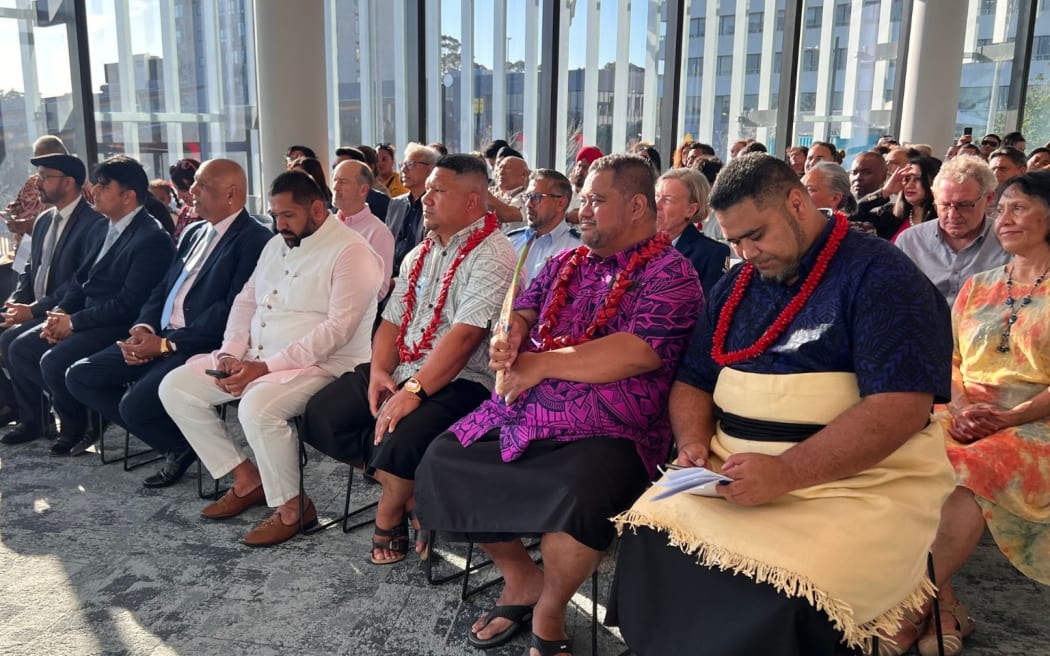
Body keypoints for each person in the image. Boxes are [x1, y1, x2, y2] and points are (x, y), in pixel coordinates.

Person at [607, 153, 956, 656]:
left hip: (857, 483)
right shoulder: (734, 285)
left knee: (786, 596)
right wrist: (691, 444)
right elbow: (692, 380)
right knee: (649, 535)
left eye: (757, 235)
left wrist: (787, 473)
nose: (747, 252)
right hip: (731, 471)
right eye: (735, 241)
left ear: (797, 202)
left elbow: (898, 408)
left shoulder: (883, 276)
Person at [415, 154, 703, 656]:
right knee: (442, 461)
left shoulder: (672, 273)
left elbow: (638, 350)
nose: (582, 210)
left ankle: (550, 608)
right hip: (524, 411)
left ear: (637, 206)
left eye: (595, 200)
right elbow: (522, 309)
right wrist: (512, 336)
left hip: (615, 429)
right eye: (583, 199)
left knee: (579, 493)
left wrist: (542, 365)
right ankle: (521, 577)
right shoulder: (565, 262)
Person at [299, 153, 516, 564]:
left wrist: (414, 390)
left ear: (472, 202)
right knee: (323, 413)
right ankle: (406, 489)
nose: (425, 199)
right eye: (427, 190)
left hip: (463, 382)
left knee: (402, 438)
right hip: (404, 367)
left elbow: (466, 335)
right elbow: (391, 322)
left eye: (437, 191)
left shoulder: (494, 253)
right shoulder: (420, 253)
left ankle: (390, 508)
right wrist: (382, 372)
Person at [157, 170, 384, 547]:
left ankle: (294, 509)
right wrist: (231, 352)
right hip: (256, 359)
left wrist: (264, 368)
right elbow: (246, 299)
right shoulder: (276, 244)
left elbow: (337, 331)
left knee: (257, 406)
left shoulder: (352, 252)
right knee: (177, 388)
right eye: (275, 216)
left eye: (288, 216)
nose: (279, 225)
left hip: (327, 367)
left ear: (316, 209)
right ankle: (247, 479)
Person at [893, 171, 1050, 656]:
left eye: (1018, 208)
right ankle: (944, 606)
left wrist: (1006, 418)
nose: (1004, 219)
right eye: (1001, 209)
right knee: (897, 458)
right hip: (962, 412)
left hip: (1034, 423)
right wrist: (960, 408)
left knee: (967, 469)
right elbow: (953, 359)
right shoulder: (979, 285)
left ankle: (905, 609)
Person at [64, 160, 271, 487]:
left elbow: (231, 310)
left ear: (231, 194)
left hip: (200, 343)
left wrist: (166, 345)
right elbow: (163, 288)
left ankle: (178, 441)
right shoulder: (193, 232)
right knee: (80, 375)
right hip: (159, 334)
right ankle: (178, 442)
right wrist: (144, 328)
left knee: (133, 406)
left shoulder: (255, 239)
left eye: (201, 185)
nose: (191, 192)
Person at [5, 156, 175, 452]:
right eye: (95, 183)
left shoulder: (151, 237)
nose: (94, 190)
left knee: (53, 360)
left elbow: (128, 303)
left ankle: (75, 427)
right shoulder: (102, 228)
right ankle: (80, 414)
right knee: (21, 348)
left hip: (118, 325)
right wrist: (59, 314)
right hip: (87, 316)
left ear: (128, 196)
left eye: (103, 186)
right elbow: (79, 281)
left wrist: (73, 323)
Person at [0, 153, 105, 440]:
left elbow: (79, 282)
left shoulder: (94, 222)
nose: (38, 185)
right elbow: (30, 268)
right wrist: (16, 302)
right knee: (5, 332)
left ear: (69, 182)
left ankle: (65, 415)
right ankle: (22, 411)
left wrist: (33, 310)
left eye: (46, 177)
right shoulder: (44, 219)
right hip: (36, 307)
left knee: (15, 344)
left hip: (67, 311)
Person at [896, 156, 1010, 306]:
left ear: (989, 198)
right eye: (944, 205)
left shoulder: (1008, 243)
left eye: (964, 205)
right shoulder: (910, 241)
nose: (953, 215)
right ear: (934, 196)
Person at [655, 168, 729, 295]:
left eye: (667, 199)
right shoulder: (637, 243)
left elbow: (707, 308)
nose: (657, 204)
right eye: (656, 196)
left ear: (691, 210)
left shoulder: (711, 253)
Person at [332, 159, 394, 300]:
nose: (335, 187)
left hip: (353, 314)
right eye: (334, 180)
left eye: (342, 181)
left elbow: (380, 289)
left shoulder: (378, 232)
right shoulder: (326, 226)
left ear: (363, 189)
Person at [506, 169, 580, 286]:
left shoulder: (577, 250)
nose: (528, 204)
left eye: (536, 197)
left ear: (560, 203)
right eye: (527, 197)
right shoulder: (512, 241)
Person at [386, 143, 440, 275]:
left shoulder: (437, 204)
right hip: (391, 277)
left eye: (410, 165)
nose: (403, 170)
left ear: (430, 169)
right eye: (402, 165)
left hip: (421, 278)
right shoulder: (396, 203)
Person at [867, 155, 940, 241]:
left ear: (934, 181)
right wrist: (884, 192)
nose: (909, 185)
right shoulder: (890, 214)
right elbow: (852, 216)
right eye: (906, 178)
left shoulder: (945, 220)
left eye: (918, 179)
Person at [489, 156, 531, 232]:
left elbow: (507, 215)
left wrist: (482, 193)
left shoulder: (528, 197)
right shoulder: (491, 191)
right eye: (500, 168)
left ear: (523, 174)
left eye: (507, 168)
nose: (501, 172)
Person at [169, 158, 201, 241]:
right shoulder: (185, 212)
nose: (179, 196)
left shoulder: (214, 215)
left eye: (183, 190)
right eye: (176, 190)